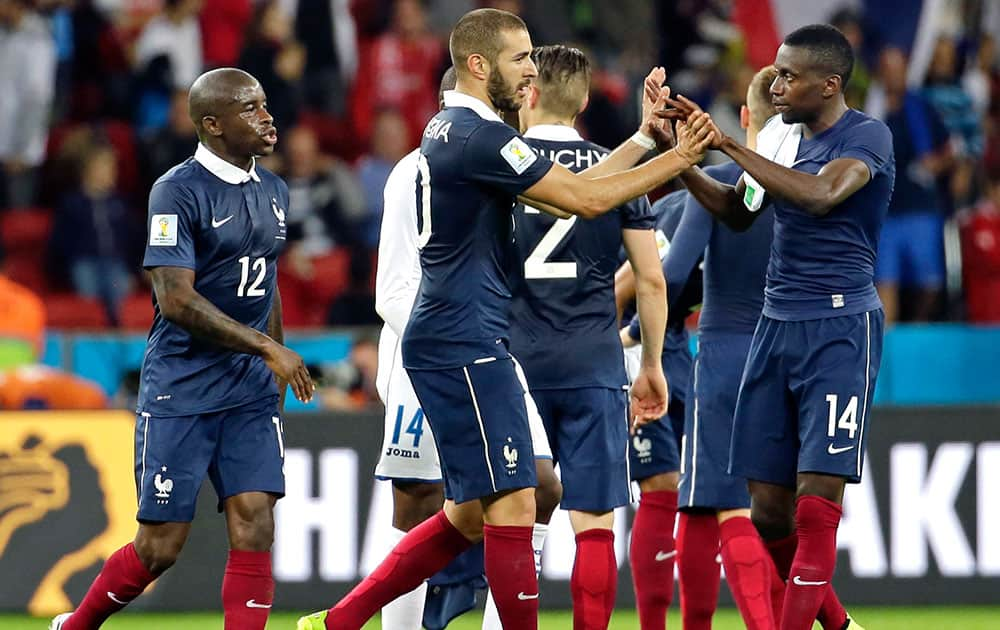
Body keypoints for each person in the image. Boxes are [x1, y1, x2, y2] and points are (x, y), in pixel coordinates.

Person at [297, 8, 715, 630]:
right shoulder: (480, 138)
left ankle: (339, 621)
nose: (530, 72)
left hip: (464, 334)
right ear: (477, 64)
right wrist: (679, 159)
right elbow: (588, 198)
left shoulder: (459, 132)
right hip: (465, 338)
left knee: (472, 512)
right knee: (519, 500)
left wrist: (645, 142)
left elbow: (567, 190)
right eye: (519, 58)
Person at [50, 68, 314, 630]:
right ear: (213, 124)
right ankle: (75, 626)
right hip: (182, 385)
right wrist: (269, 348)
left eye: (265, 104)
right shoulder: (176, 189)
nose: (267, 117)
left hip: (248, 388)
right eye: (250, 109)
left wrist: (274, 366)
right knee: (160, 547)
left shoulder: (274, 190)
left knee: (256, 520)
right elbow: (174, 299)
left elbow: (264, 285)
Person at [668, 24, 893, 630]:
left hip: (840, 326)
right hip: (776, 325)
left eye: (789, 74)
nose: (777, 82)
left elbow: (821, 195)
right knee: (767, 511)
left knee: (817, 500)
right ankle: (841, 625)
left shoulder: (867, 135)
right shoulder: (779, 135)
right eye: (777, 71)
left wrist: (732, 147)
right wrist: (685, 158)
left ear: (830, 83)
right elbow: (739, 214)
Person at [372, 66, 560, 630]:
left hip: (490, 348)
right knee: (419, 496)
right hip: (426, 353)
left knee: (542, 485)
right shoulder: (413, 173)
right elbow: (392, 289)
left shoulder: (509, 167)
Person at [505, 44, 666, 630]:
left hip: (512, 365)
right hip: (594, 362)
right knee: (594, 523)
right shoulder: (620, 170)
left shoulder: (502, 166)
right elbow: (650, 278)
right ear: (584, 101)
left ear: (528, 92)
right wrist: (650, 361)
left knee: (506, 518)